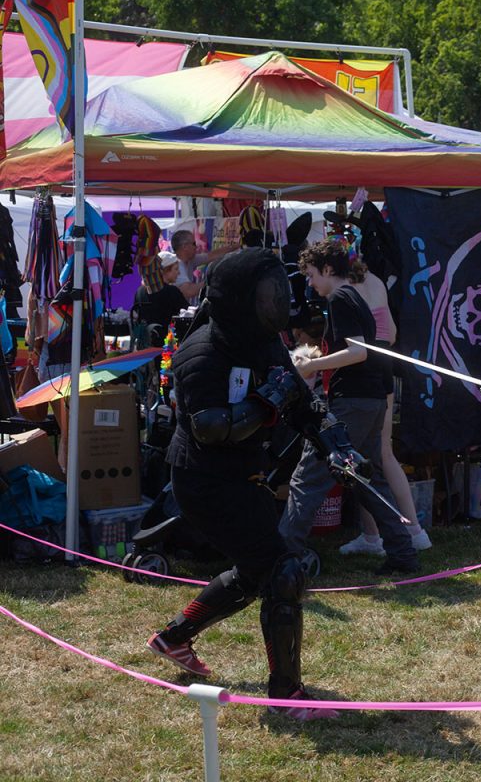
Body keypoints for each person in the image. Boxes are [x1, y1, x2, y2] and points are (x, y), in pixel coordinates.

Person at [146, 248, 371, 720]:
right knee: (281, 571)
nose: (278, 302)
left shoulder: (264, 343)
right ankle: (286, 697)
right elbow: (210, 426)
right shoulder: (201, 352)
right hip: (204, 480)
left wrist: (338, 445)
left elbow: (302, 402)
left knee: (255, 572)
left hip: (243, 474)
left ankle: (172, 639)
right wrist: (266, 404)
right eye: (267, 294)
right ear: (239, 299)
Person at [279, 240, 419, 575]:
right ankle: (402, 552)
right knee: (366, 480)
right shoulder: (354, 296)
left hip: (353, 402)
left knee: (308, 475)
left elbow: (358, 353)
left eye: (311, 275)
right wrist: (318, 358)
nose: (310, 283)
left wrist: (311, 367)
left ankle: (281, 557)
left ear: (328, 270)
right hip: (370, 399)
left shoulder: (340, 299)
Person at [338, 263, 433, 556]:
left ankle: (373, 535)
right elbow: (390, 333)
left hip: (359, 379)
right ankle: (414, 531)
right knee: (382, 454)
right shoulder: (376, 281)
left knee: (359, 459)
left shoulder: (341, 292)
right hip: (384, 372)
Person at [132, 251, 189, 336]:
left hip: (144, 342)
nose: (179, 273)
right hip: (166, 342)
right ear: (165, 270)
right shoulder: (172, 291)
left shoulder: (139, 291)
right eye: (176, 269)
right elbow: (188, 315)